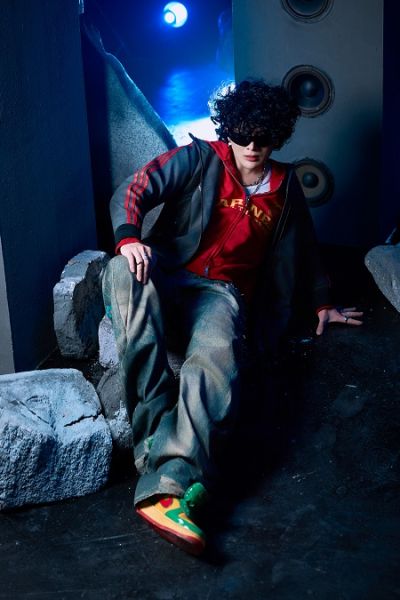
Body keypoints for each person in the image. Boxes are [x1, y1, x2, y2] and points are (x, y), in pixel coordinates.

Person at [102, 80, 363, 555]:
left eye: (263, 137)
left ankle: (169, 484)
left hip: (220, 293)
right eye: (242, 135)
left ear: (277, 136)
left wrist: (322, 302)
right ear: (229, 130)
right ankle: (158, 444)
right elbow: (135, 187)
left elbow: (304, 249)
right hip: (165, 270)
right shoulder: (200, 159)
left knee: (217, 355)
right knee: (122, 272)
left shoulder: (284, 188)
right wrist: (129, 237)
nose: (252, 146)